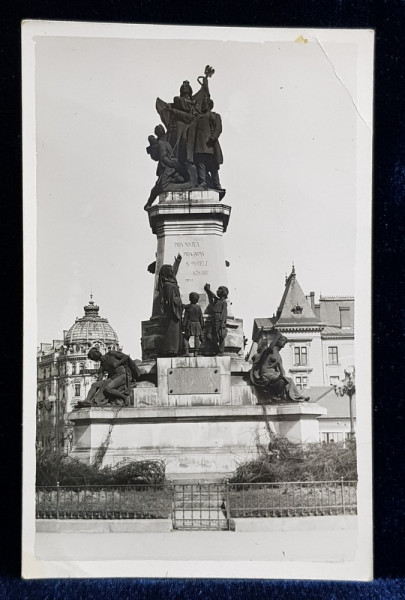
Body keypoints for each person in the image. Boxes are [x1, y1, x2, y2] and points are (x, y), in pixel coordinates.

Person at [250, 331, 310, 402]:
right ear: (278, 341)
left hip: (273, 375)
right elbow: (270, 347)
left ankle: (296, 397)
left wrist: (282, 375)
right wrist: (277, 336)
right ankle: (296, 397)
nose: (284, 344)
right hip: (265, 374)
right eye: (283, 341)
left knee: (288, 380)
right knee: (285, 380)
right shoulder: (269, 351)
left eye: (284, 343)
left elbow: (282, 370)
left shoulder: (278, 356)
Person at [189, 98, 223, 190]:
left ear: (209, 106)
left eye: (204, 104)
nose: (203, 106)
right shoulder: (197, 118)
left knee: (213, 165)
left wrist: (214, 137)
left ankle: (217, 184)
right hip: (199, 145)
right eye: (202, 104)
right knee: (201, 163)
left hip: (210, 145)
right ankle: (202, 182)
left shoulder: (214, 116)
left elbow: (218, 128)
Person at [158, 254, 183, 356]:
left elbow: (174, 272)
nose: (171, 271)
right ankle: (172, 350)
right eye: (169, 270)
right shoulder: (168, 285)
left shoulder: (170, 281)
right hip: (173, 312)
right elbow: (170, 300)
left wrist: (177, 262)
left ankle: (175, 349)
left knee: (175, 332)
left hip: (176, 311)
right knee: (172, 332)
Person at [204, 283, 228, 356]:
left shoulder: (223, 302)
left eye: (219, 290)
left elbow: (224, 313)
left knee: (220, 336)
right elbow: (213, 296)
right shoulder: (217, 300)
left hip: (219, 319)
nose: (217, 291)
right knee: (210, 335)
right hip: (213, 318)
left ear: (223, 292)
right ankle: (215, 350)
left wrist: (223, 322)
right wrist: (208, 290)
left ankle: (220, 352)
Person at [183, 292, 205, 356]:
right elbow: (201, 317)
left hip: (190, 324)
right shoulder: (198, 307)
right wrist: (202, 325)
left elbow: (185, 318)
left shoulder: (188, 307)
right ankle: (196, 352)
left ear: (190, 299)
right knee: (197, 338)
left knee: (186, 337)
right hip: (198, 324)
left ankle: (186, 351)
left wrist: (183, 325)